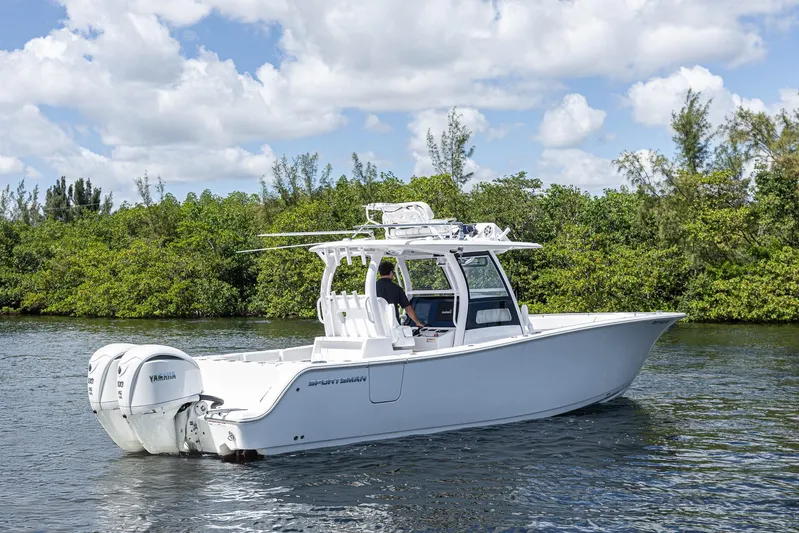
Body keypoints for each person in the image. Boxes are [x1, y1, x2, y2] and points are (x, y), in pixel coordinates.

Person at [376, 260, 425, 328]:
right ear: (391, 272)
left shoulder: (371, 287)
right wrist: (417, 322)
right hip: (393, 326)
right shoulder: (396, 288)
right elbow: (408, 308)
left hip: (376, 326)